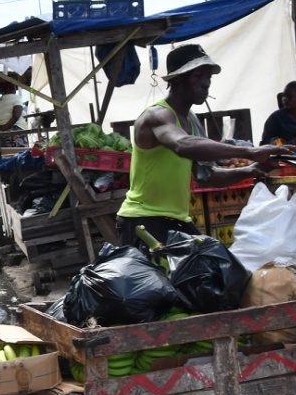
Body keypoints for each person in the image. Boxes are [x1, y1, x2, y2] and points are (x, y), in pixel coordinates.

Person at [116, 43, 281, 250]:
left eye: (208, 78)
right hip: (143, 220)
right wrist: (251, 151)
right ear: (176, 79)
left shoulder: (192, 121)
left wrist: (252, 170)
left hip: (176, 221)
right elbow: (181, 144)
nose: (205, 84)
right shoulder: (157, 115)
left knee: (216, 272)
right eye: (198, 77)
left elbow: (207, 176)